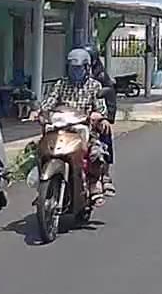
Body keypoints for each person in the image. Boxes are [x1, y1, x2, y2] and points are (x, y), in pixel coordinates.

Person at [32, 48, 112, 204]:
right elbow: (49, 102)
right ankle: (43, 187)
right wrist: (38, 112)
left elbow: (101, 107)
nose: (75, 72)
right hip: (60, 127)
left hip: (83, 128)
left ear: (87, 68)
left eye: (78, 68)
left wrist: (98, 116)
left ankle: (93, 183)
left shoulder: (94, 86)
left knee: (96, 153)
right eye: (72, 68)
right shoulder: (61, 84)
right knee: (41, 149)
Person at [85, 46, 117, 197]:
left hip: (96, 114)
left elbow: (109, 95)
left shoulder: (100, 76)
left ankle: (105, 173)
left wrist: (106, 118)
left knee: (105, 135)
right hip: (76, 115)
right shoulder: (70, 78)